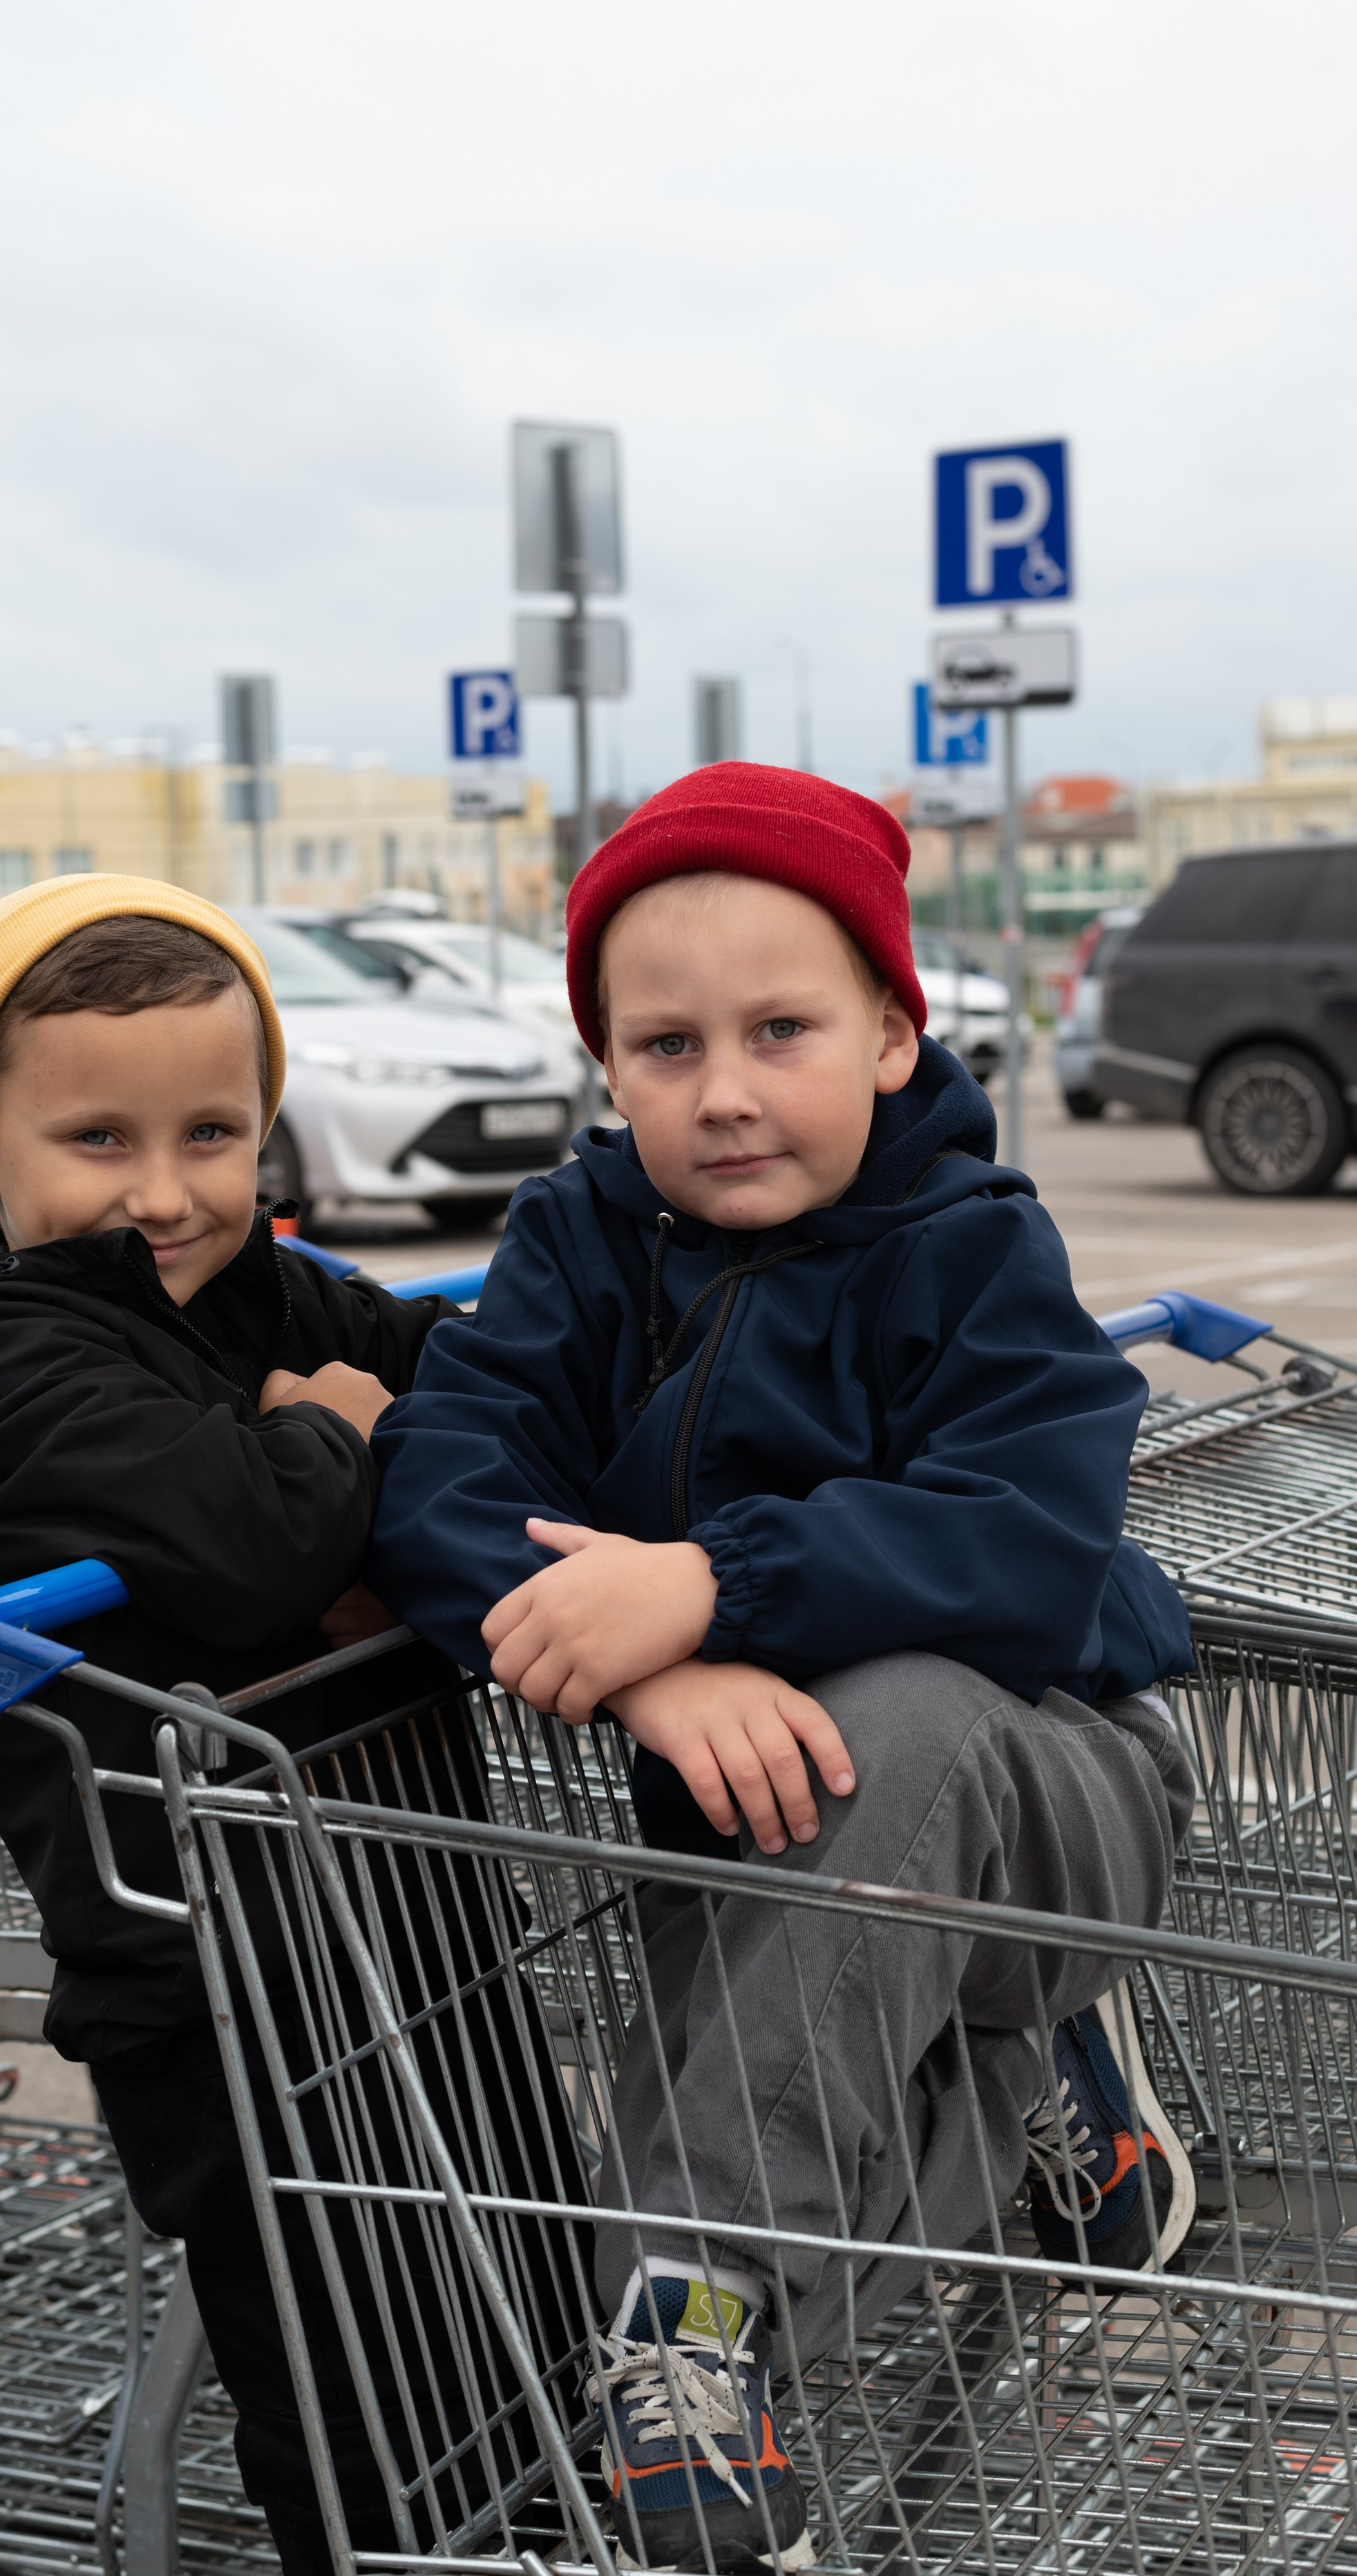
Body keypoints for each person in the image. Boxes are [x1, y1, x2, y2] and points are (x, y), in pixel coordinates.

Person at [366, 764, 1197, 2575]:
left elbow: (1026, 1536)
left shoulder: (971, 1247)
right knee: (743, 2091)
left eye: (781, 1029)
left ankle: (688, 2318)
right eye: (664, 1045)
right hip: (766, 1801)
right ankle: (1021, 2107)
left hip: (1064, 1782)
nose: (724, 1088)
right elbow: (439, 1470)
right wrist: (659, 1674)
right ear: (606, 1067)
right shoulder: (580, 1243)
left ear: (895, 1032)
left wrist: (709, 1584)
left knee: (880, 1736)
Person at [0, 874, 468, 2576]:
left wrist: (371, 1437)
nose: (162, 1191)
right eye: (96, 1140)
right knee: (349, 2389)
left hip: (394, 1899)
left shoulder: (260, 1296)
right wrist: (344, 1450)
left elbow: (471, 1380)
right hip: (204, 1965)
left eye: (212, 1131)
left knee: (496, 2319)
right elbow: (245, 1544)